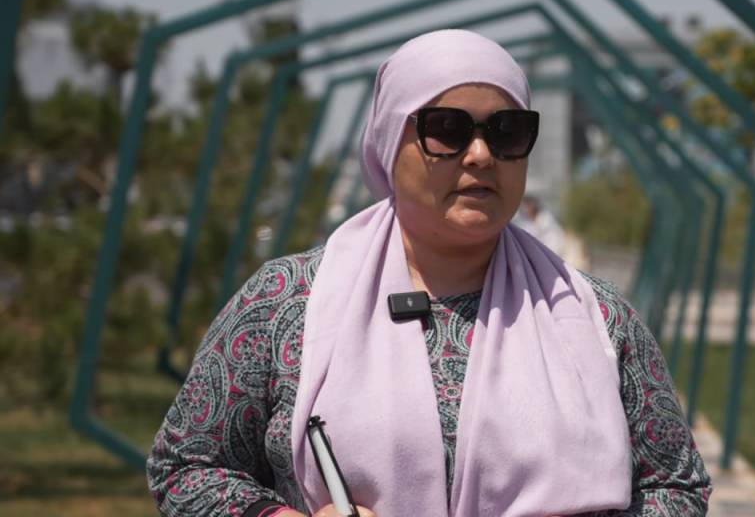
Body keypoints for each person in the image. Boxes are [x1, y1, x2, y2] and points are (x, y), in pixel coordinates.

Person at [147, 29, 711, 517]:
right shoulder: (286, 302)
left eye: (507, 131)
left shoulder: (596, 316)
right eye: (447, 129)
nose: (481, 155)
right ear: (390, 142)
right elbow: (187, 466)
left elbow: (677, 485)